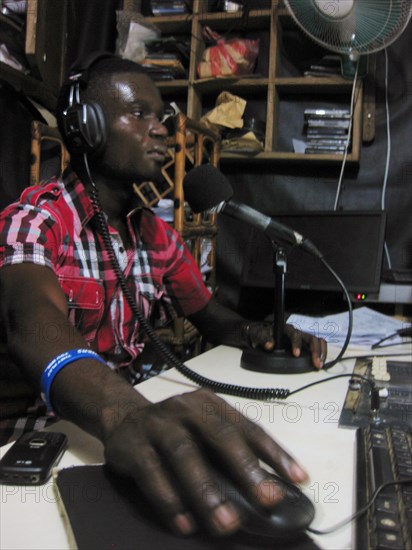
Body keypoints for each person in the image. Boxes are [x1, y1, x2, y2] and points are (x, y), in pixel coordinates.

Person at [0, 54, 327, 537]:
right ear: (85, 127)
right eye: (140, 114)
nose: (163, 131)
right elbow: (31, 321)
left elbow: (211, 317)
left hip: (126, 437)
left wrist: (261, 333)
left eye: (164, 118)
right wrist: (125, 410)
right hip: (36, 447)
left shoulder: (158, 237)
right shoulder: (35, 222)